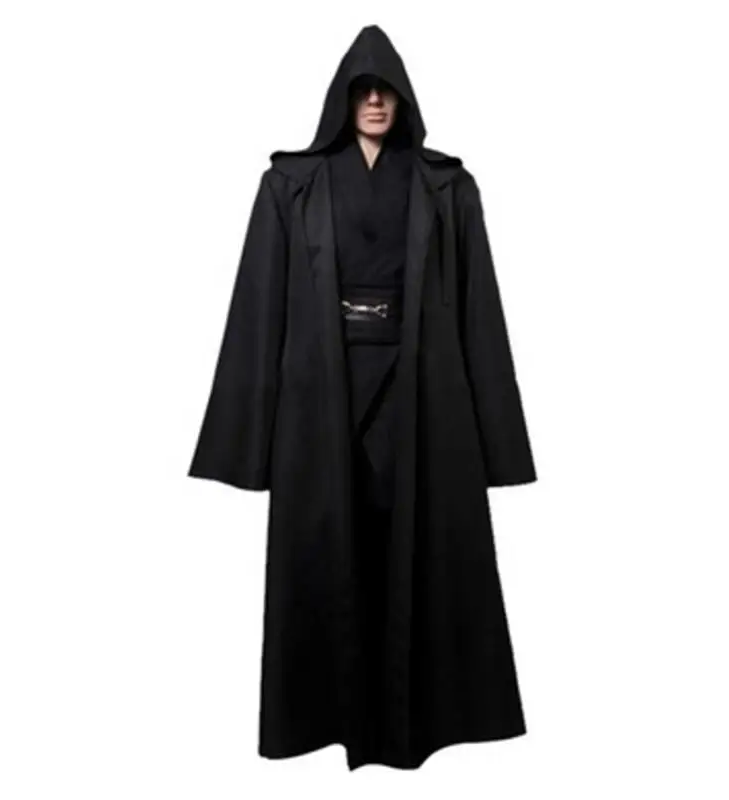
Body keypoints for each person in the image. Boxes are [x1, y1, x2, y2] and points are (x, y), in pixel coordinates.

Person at [188, 25, 537, 771]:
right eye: (362, 91)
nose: (375, 102)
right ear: (341, 101)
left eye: (385, 91)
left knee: (425, 561)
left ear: (404, 98)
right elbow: (259, 307)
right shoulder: (291, 185)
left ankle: (416, 730)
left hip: (424, 396)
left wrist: (497, 445)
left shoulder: (446, 187)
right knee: (327, 561)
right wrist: (247, 440)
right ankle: (329, 722)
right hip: (321, 396)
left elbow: (480, 315)